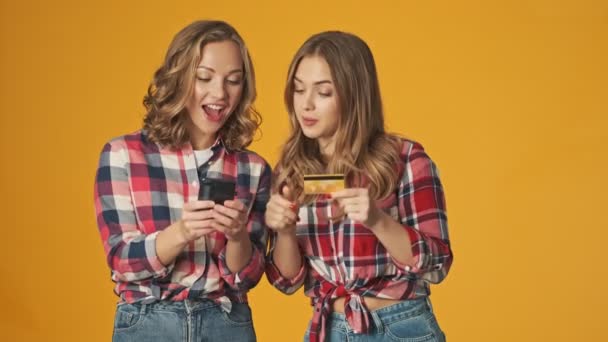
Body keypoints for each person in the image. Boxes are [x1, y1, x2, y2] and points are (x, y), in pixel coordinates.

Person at [265, 31, 453, 342]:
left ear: (354, 94)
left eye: (324, 93)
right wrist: (284, 230)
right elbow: (287, 282)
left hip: (400, 325)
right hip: (331, 328)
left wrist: (378, 221)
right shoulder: (291, 170)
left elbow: (437, 264)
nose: (306, 105)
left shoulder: (405, 159)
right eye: (298, 90)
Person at [93, 20, 270, 342]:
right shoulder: (123, 155)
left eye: (234, 81)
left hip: (227, 323)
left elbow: (249, 276)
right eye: (204, 77)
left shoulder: (252, 168)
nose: (219, 94)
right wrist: (182, 232)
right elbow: (122, 260)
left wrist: (236, 236)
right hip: (148, 321)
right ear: (178, 77)